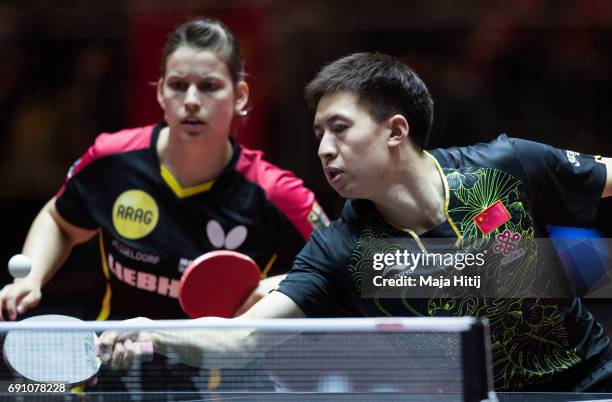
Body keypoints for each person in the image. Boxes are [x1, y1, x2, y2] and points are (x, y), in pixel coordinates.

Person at [100, 52, 612, 392]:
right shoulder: (340, 250)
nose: (323, 149)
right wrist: (155, 332)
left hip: (598, 384)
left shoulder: (507, 166)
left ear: (396, 130)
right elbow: (241, 340)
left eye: (340, 129)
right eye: (319, 133)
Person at [0, 17, 328, 390]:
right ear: (160, 94)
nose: (191, 100)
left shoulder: (275, 194)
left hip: (221, 385)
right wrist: (31, 278)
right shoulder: (112, 160)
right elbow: (59, 220)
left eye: (208, 87)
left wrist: (276, 286)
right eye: (177, 85)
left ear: (239, 96)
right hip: (108, 369)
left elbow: (339, 270)